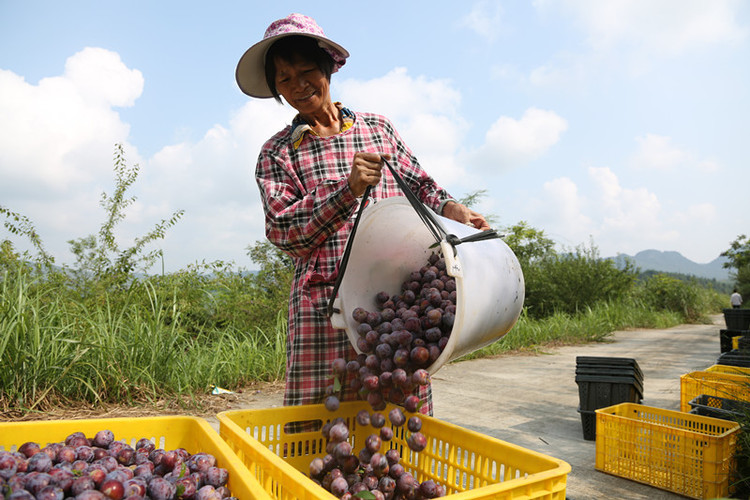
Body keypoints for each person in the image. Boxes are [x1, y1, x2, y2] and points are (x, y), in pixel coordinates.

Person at [236, 13, 490, 416]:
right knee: (318, 418)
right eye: (284, 79)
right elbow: (283, 232)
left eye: (306, 71)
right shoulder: (278, 152)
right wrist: (346, 191)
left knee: (396, 411)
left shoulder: (377, 129)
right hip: (324, 308)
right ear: (275, 89)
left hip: (394, 300)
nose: (298, 85)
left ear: (327, 69)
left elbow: (420, 184)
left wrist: (451, 208)